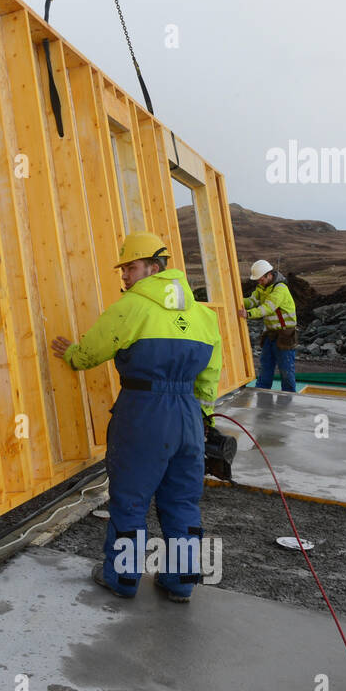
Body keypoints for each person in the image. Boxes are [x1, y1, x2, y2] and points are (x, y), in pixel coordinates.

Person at [51, 232, 221, 603]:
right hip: (189, 418)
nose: (125, 276)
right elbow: (210, 377)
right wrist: (203, 417)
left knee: (130, 500)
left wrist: (72, 355)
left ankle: (123, 578)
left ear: (153, 268)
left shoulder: (130, 308)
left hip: (144, 412)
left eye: (130, 267)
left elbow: (90, 354)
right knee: (182, 502)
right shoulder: (203, 315)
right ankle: (180, 582)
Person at [239, 259, 297, 392]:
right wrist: (236, 300)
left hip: (285, 334)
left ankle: (289, 398)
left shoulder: (280, 289)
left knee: (286, 369)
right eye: (258, 280)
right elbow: (252, 301)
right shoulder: (262, 288)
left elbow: (267, 308)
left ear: (269, 275)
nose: (259, 282)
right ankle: (262, 393)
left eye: (261, 279)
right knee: (265, 366)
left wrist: (248, 314)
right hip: (271, 334)